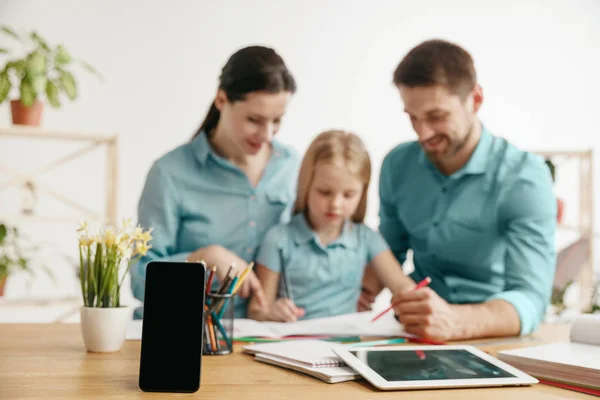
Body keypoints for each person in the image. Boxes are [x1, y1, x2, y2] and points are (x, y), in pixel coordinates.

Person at [359, 39, 557, 341]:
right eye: (412, 117)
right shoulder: (397, 164)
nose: (423, 133)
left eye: (436, 116)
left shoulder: (524, 178)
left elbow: (531, 298)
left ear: (475, 100)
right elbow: (388, 252)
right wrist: (349, 294)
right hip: (411, 334)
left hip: (493, 338)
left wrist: (455, 321)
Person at [130, 46, 300, 318]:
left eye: (277, 121)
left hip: (264, 334)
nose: (266, 134)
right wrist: (201, 258)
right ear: (221, 100)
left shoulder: (292, 166)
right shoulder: (170, 173)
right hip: (184, 329)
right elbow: (140, 281)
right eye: (254, 120)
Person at [248, 130, 416, 322]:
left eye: (348, 195)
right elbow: (256, 310)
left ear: (362, 193)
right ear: (306, 185)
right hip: (294, 343)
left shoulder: (366, 238)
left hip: (348, 345)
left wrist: (413, 298)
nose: (336, 204)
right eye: (325, 192)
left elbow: (402, 285)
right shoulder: (278, 239)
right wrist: (271, 313)